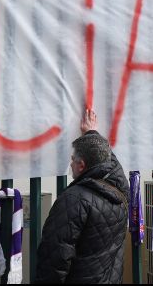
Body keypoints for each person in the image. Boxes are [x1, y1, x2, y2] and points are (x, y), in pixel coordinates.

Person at [35, 109, 129, 284]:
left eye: (73, 159)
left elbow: (54, 260)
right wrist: (91, 133)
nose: (70, 163)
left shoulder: (73, 199)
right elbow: (111, 163)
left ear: (81, 165)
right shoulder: (120, 189)